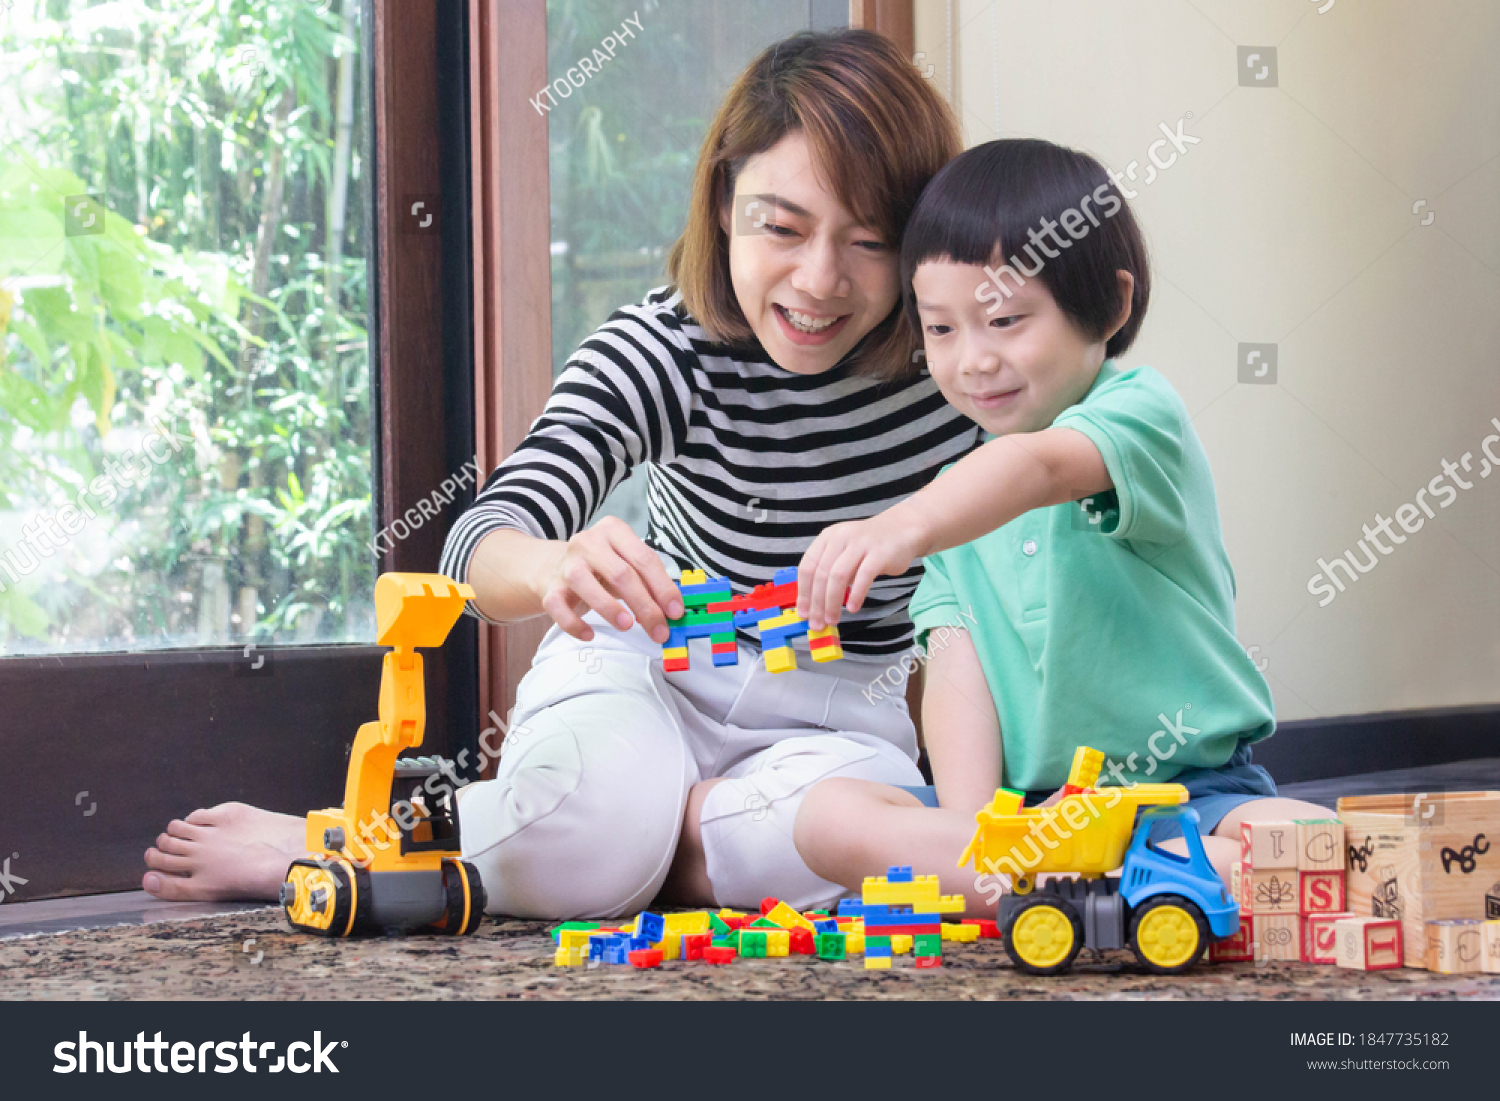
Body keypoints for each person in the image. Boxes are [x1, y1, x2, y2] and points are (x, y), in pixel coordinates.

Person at [141, 29, 983, 917]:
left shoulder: (959, 376)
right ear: (724, 199)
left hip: (837, 711)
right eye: (782, 226)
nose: (818, 280)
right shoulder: (667, 346)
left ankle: (640, 837)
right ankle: (343, 847)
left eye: (868, 242)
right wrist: (555, 566)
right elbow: (478, 544)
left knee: (839, 849)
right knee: (608, 833)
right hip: (655, 666)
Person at [788, 138, 1330, 910]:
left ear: (1107, 305)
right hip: (1041, 818)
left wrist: (900, 525)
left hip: (1190, 793)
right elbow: (957, 670)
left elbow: (1037, 469)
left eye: (1005, 318)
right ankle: (1080, 882)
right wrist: (977, 825)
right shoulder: (955, 505)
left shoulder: (1140, 416)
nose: (972, 360)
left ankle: (1129, 875)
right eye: (940, 330)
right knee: (826, 819)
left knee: (1312, 842)